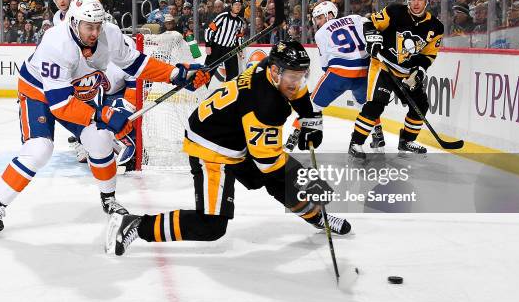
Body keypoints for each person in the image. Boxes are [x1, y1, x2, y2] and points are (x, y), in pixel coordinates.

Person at [0, 0, 210, 237]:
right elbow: (60, 104)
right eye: (89, 26)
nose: (95, 32)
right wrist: (104, 113)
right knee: (39, 149)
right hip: (39, 93)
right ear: (73, 23)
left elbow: (134, 63)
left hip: (77, 92)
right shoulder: (55, 44)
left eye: (98, 26)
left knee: (101, 140)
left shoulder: (108, 33)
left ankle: (109, 199)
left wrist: (175, 74)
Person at [106, 40, 352, 256]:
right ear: (276, 71)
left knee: (280, 183)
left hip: (234, 135)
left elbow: (297, 92)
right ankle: (135, 224)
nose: (297, 82)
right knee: (211, 225)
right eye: (293, 76)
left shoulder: (269, 68)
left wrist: (310, 119)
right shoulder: (266, 105)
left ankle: (318, 217)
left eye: (301, 75)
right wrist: (309, 179)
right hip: (212, 148)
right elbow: (269, 163)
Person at [348, 0, 444, 159]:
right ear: (408, 0)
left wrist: (420, 70)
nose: (416, 3)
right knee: (375, 105)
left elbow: (428, 55)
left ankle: (406, 140)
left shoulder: (436, 27)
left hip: (406, 72)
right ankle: (356, 143)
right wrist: (372, 40)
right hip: (383, 66)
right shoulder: (395, 11)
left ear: (427, 1)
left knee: (421, 105)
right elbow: (370, 23)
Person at [287, 1, 385, 152]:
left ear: (330, 14)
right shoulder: (356, 18)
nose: (318, 22)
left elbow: (325, 64)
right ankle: (378, 136)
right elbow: (372, 26)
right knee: (367, 107)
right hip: (364, 71)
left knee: (311, 104)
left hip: (339, 72)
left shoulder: (320, 33)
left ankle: (293, 138)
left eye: (319, 17)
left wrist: (333, 75)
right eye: (316, 19)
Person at [204, 0, 245, 84]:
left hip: (230, 49)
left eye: (239, 5)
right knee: (207, 72)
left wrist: (240, 50)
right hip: (216, 47)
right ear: (231, 6)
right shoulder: (223, 16)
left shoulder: (240, 22)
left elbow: (239, 37)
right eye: (236, 5)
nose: (238, 7)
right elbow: (209, 30)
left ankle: (229, 94)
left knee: (233, 75)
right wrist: (208, 45)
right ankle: (200, 92)